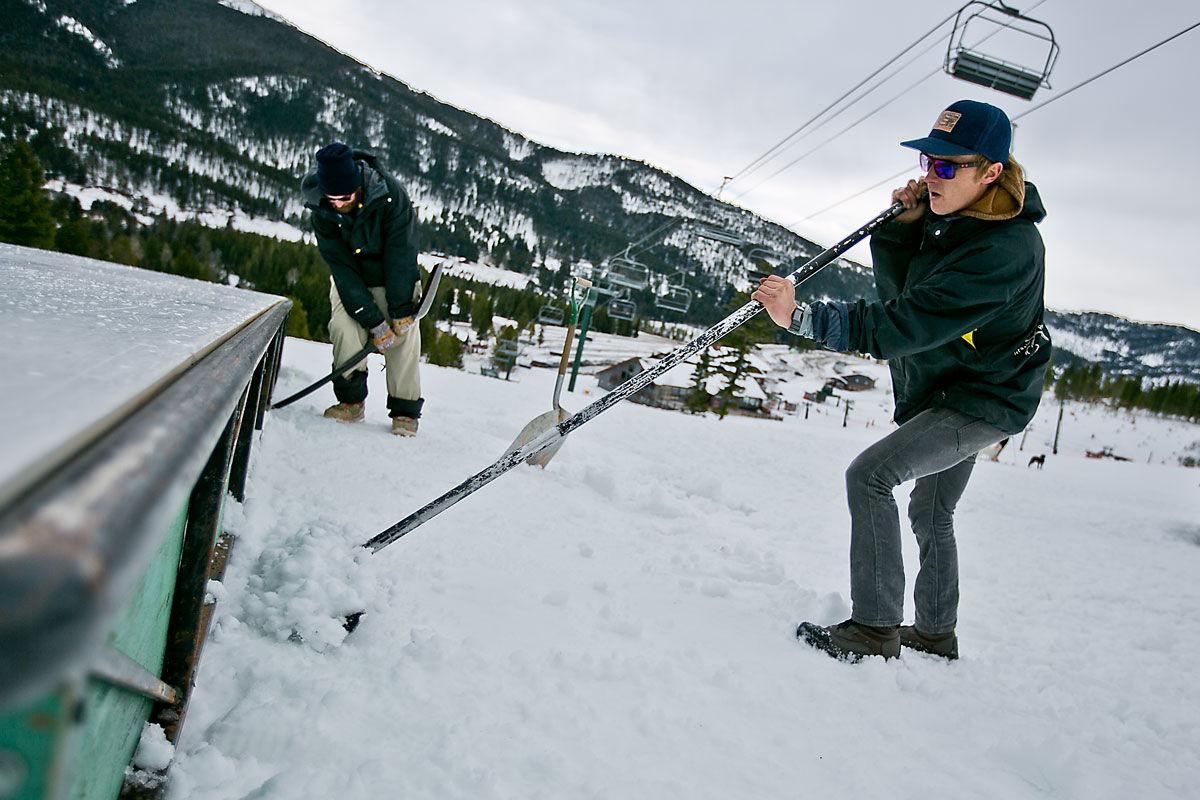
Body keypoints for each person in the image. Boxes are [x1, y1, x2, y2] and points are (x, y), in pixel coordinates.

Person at [752, 100, 1051, 662]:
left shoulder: (1006, 250)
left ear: (990, 171)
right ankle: (935, 634)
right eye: (926, 162)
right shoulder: (958, 216)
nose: (930, 177)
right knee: (930, 511)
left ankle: (874, 628)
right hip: (948, 384)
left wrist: (804, 318)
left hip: (983, 399)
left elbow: (904, 323)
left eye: (946, 166)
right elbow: (904, 293)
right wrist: (906, 228)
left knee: (870, 477)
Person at [301, 142, 424, 436]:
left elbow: (401, 255)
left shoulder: (390, 196)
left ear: (357, 185)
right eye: (333, 198)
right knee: (345, 329)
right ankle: (351, 402)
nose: (338, 204)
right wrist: (374, 322)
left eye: (344, 197)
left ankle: (405, 413)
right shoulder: (321, 208)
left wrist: (399, 310)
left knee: (404, 338)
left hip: (394, 275)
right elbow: (341, 269)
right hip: (352, 280)